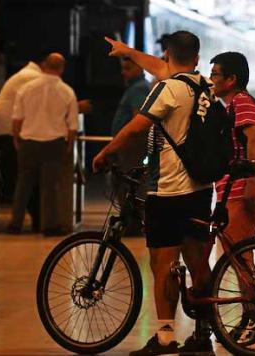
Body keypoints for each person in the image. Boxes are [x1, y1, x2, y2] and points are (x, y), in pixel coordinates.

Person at [95, 31, 216, 356]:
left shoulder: (167, 89)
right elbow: (161, 68)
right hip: (201, 190)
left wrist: (106, 152)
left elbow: (137, 127)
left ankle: (165, 337)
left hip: (168, 191)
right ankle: (203, 336)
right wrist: (127, 50)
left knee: (163, 264)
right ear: (197, 58)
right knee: (196, 261)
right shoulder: (203, 86)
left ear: (167, 56)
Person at [208, 52, 255, 349]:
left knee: (240, 254)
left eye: (215, 75)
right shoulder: (232, 104)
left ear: (231, 79)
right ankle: (251, 320)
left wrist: (251, 180)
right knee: (236, 255)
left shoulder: (242, 102)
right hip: (231, 189)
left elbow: (254, 138)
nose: (211, 80)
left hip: (241, 189)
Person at [8, 53, 78, 236]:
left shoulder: (26, 88)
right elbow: (72, 125)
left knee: (23, 184)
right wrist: (69, 144)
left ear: (44, 65)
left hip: (28, 142)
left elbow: (17, 119)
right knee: (50, 187)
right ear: (62, 69)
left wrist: (16, 138)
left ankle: (15, 224)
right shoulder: (67, 91)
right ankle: (50, 226)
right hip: (54, 144)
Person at [0, 53, 43, 230]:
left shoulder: (25, 75)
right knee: (25, 177)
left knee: (21, 177)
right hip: (9, 131)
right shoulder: (32, 77)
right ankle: (34, 219)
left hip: (4, 130)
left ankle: (26, 219)